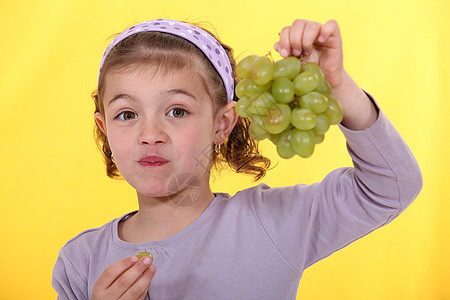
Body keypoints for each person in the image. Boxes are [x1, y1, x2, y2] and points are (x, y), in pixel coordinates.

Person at [52, 18, 422, 299]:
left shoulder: (273, 224)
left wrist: (338, 85)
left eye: (177, 111)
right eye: (127, 114)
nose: (151, 134)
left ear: (222, 123)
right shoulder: (79, 263)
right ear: (104, 128)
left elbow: (390, 188)